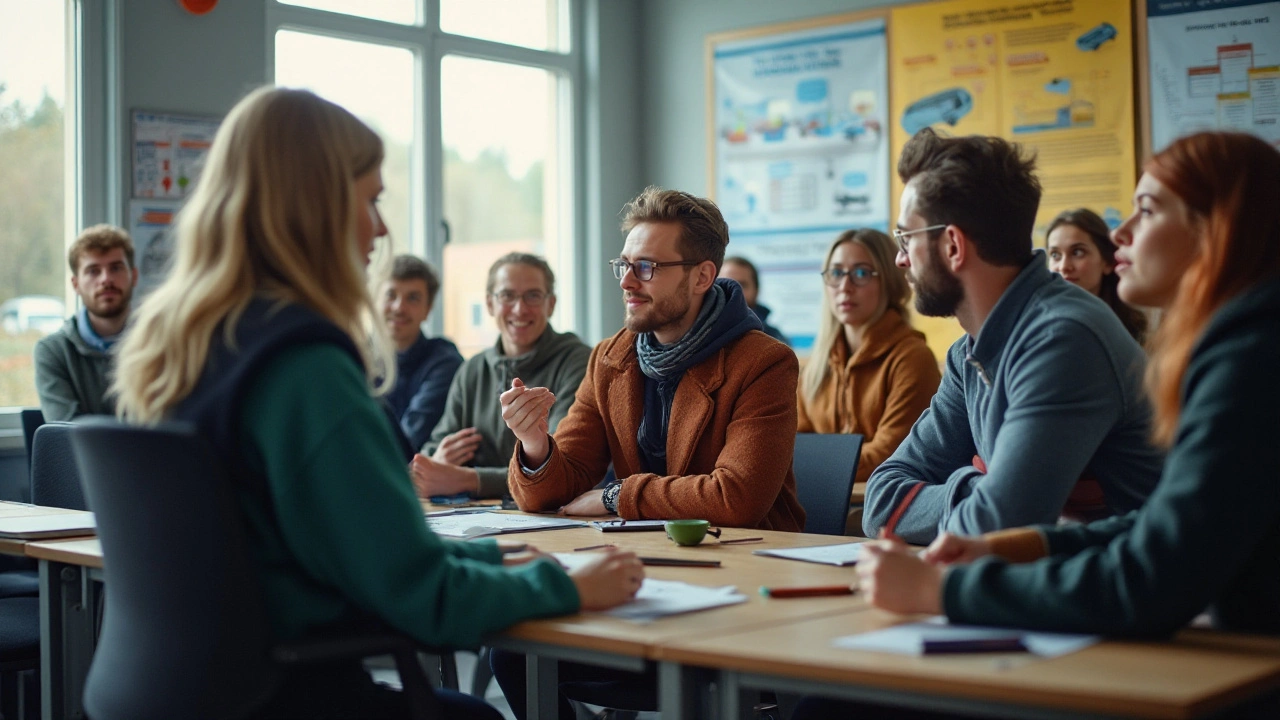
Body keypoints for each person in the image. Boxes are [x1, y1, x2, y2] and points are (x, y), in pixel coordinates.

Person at [110, 87, 643, 719]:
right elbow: (422, 599)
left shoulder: (175, 349)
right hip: (287, 699)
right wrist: (563, 584)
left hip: (171, 693)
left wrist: (484, 552)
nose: (381, 227)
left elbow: (337, 549)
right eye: (371, 200)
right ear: (315, 209)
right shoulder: (303, 369)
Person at [846, 131, 1280, 719]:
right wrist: (999, 512)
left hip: (1196, 659)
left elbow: (1150, 572)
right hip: (1180, 633)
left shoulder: (1243, 356)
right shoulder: (973, 350)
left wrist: (942, 586)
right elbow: (889, 502)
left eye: (1147, 211)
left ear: (1216, 231)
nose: (1120, 233)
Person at [491, 187, 805, 720]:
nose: (627, 282)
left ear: (702, 276)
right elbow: (559, 486)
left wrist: (617, 497)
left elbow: (735, 498)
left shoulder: (764, 362)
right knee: (515, 651)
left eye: (647, 267)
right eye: (624, 265)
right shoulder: (611, 357)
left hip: (739, 593)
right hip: (651, 579)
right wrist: (535, 443)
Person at [862, 129, 1163, 545]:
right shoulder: (968, 355)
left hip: (1137, 599)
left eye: (905, 238)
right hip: (1043, 590)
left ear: (953, 246)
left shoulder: (1064, 339)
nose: (899, 258)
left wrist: (976, 496)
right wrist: (974, 487)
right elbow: (880, 501)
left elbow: (1001, 523)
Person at [412, 253, 589, 499]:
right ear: (489, 304)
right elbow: (436, 448)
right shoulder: (472, 369)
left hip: (559, 518)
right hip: (478, 519)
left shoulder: (578, 363)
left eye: (533, 296)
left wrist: (469, 480)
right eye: (507, 296)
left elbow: (560, 467)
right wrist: (437, 462)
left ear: (551, 304)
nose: (520, 308)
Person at [798, 228, 941, 520]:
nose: (845, 287)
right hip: (818, 506)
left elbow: (890, 454)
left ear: (888, 280)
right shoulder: (815, 363)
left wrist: (815, 463)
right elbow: (796, 444)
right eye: (836, 273)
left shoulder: (912, 357)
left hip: (883, 512)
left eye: (861, 273)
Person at [34, 224, 138, 420]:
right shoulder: (53, 351)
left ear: (134, 276)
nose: (106, 279)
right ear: (76, 285)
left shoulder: (163, 343)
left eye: (116, 268)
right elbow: (66, 434)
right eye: (93, 271)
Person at [381, 254, 463, 450]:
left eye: (413, 298)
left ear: (428, 309)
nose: (399, 307)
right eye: (390, 295)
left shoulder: (444, 363)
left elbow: (407, 443)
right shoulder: (355, 356)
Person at [1046, 207, 1148, 342]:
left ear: (1107, 262)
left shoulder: (1138, 330)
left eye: (1077, 252)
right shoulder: (1040, 324)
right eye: (1055, 255)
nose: (1064, 266)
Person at [720, 255, 787, 343]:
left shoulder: (775, 340)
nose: (734, 291)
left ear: (756, 291)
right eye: (726, 283)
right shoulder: (700, 333)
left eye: (742, 285)